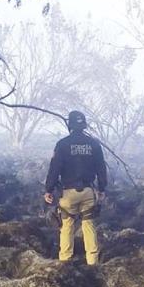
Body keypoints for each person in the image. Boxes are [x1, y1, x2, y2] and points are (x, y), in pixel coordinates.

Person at [44, 110, 107, 265]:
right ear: (84, 125)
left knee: (67, 226)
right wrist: (102, 189)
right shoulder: (94, 144)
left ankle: (65, 263)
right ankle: (93, 262)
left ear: (69, 125)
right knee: (89, 225)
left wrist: (48, 190)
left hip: (68, 194)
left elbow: (54, 169)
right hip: (88, 192)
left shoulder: (62, 145)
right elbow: (101, 169)